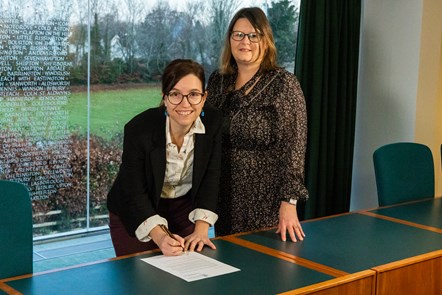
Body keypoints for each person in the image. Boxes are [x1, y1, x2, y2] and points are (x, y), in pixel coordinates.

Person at [206, 7, 309, 242]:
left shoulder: (284, 85)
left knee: (263, 268)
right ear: (230, 39)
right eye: (238, 35)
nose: (245, 42)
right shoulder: (218, 81)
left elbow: (295, 148)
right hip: (223, 196)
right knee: (228, 265)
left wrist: (289, 202)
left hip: (267, 200)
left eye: (253, 35)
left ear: (265, 40)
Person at [107, 59, 223, 256]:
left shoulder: (213, 123)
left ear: (204, 98)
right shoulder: (138, 129)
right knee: (141, 278)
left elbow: (211, 177)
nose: (185, 104)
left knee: (184, 270)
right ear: (165, 98)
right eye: (175, 94)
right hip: (135, 207)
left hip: (182, 209)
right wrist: (160, 237)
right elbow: (134, 191)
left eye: (194, 94)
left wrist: (201, 230)